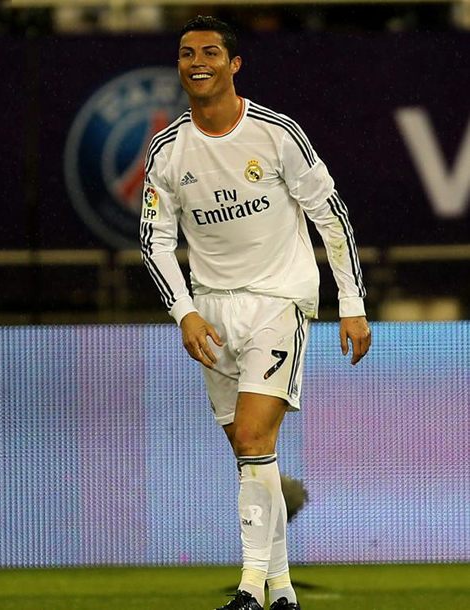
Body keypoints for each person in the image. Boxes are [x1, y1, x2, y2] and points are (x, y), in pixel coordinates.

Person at [140, 15, 371, 610]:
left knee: (252, 434)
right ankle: (284, 591)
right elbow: (154, 240)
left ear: (234, 64)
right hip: (211, 312)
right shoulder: (167, 150)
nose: (198, 62)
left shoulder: (276, 134)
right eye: (188, 52)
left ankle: (248, 589)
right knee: (249, 452)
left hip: (278, 298)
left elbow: (330, 214)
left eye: (211, 52)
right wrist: (185, 313)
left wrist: (352, 304)